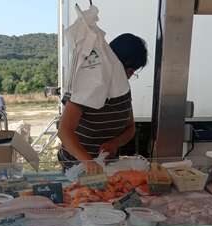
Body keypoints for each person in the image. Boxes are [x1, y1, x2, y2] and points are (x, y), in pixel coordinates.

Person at [58, 33, 148, 174]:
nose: (129, 76)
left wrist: (114, 144)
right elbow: (64, 131)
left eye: (133, 72)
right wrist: (89, 162)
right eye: (129, 71)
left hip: (107, 167)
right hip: (76, 167)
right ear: (114, 63)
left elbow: (130, 128)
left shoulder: (123, 90)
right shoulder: (85, 84)